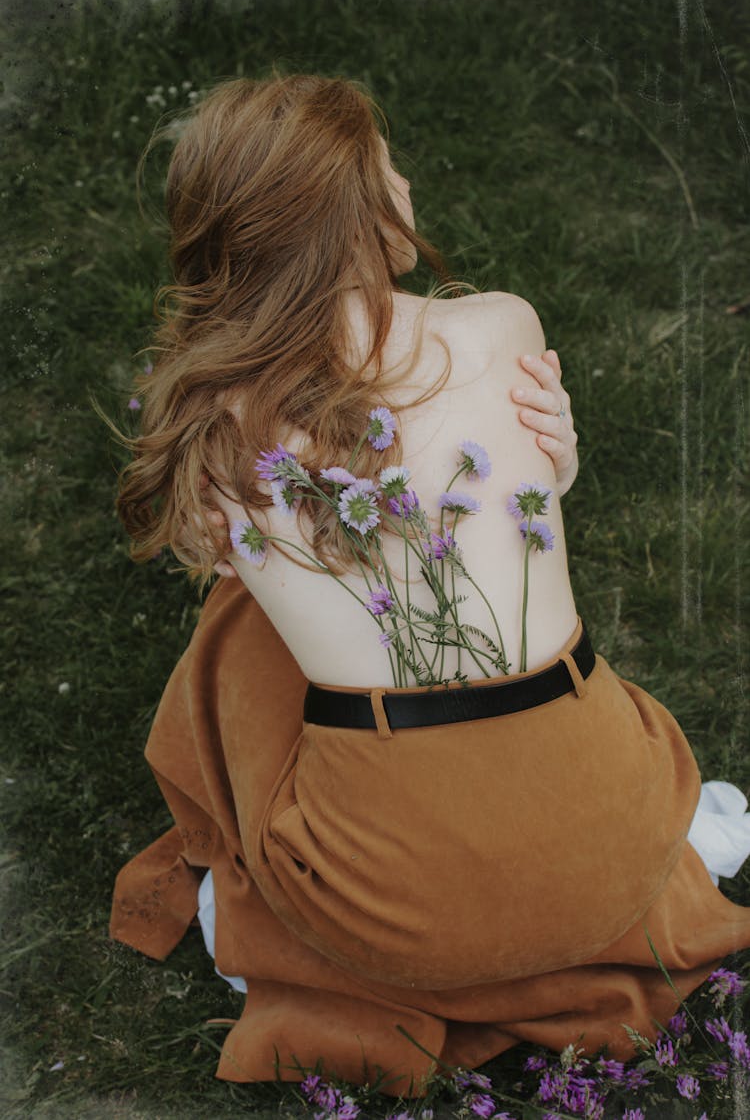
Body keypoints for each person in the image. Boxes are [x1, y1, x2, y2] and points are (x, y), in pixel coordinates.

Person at [109, 74, 750, 1098]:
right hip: (609, 840)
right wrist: (564, 467)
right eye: (388, 169)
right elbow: (531, 513)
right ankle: (658, 859)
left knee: (235, 632)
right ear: (360, 217)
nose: (407, 183)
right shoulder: (503, 328)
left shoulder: (214, 425)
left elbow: (254, 563)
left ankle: (250, 893)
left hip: (389, 911)